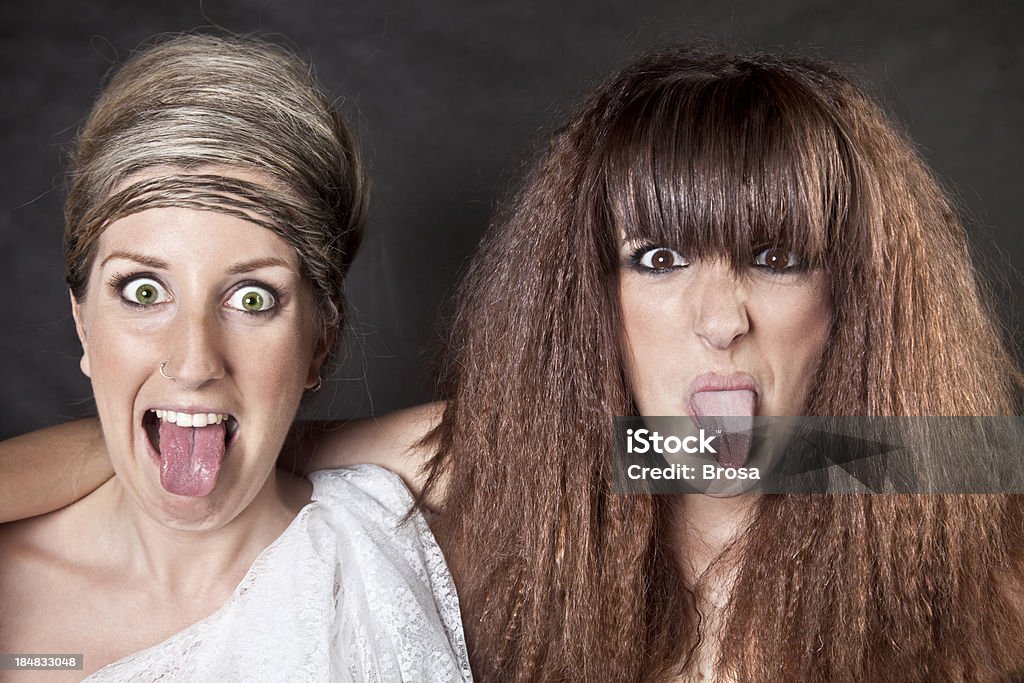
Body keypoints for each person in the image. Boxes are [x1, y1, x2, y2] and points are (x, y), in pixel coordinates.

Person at [4, 46, 1024, 680]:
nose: (721, 319)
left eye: (777, 257)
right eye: (658, 258)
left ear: (847, 292)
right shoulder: (550, 467)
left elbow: (957, 456)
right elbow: (253, 436)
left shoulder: (887, 463)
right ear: (594, 293)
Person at [0, 34, 471, 681]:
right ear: (84, 322)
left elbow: (659, 454)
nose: (193, 362)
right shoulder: (14, 606)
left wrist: (331, 444)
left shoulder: (397, 551)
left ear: (320, 341)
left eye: (252, 297)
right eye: (144, 291)